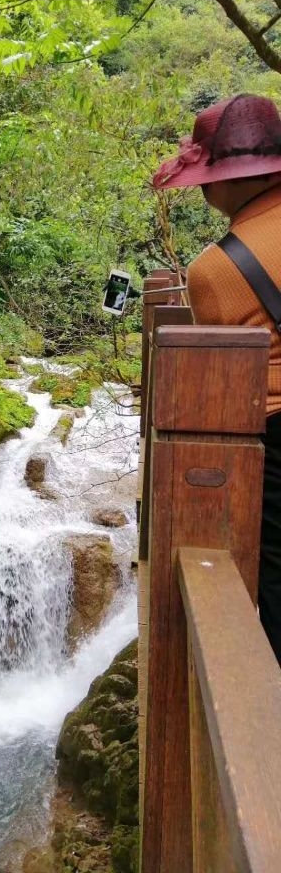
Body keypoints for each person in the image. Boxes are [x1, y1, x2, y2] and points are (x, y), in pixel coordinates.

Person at [153, 93, 281, 663]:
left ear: (235, 177)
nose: (202, 189)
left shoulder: (214, 270)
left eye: (209, 175)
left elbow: (217, 384)